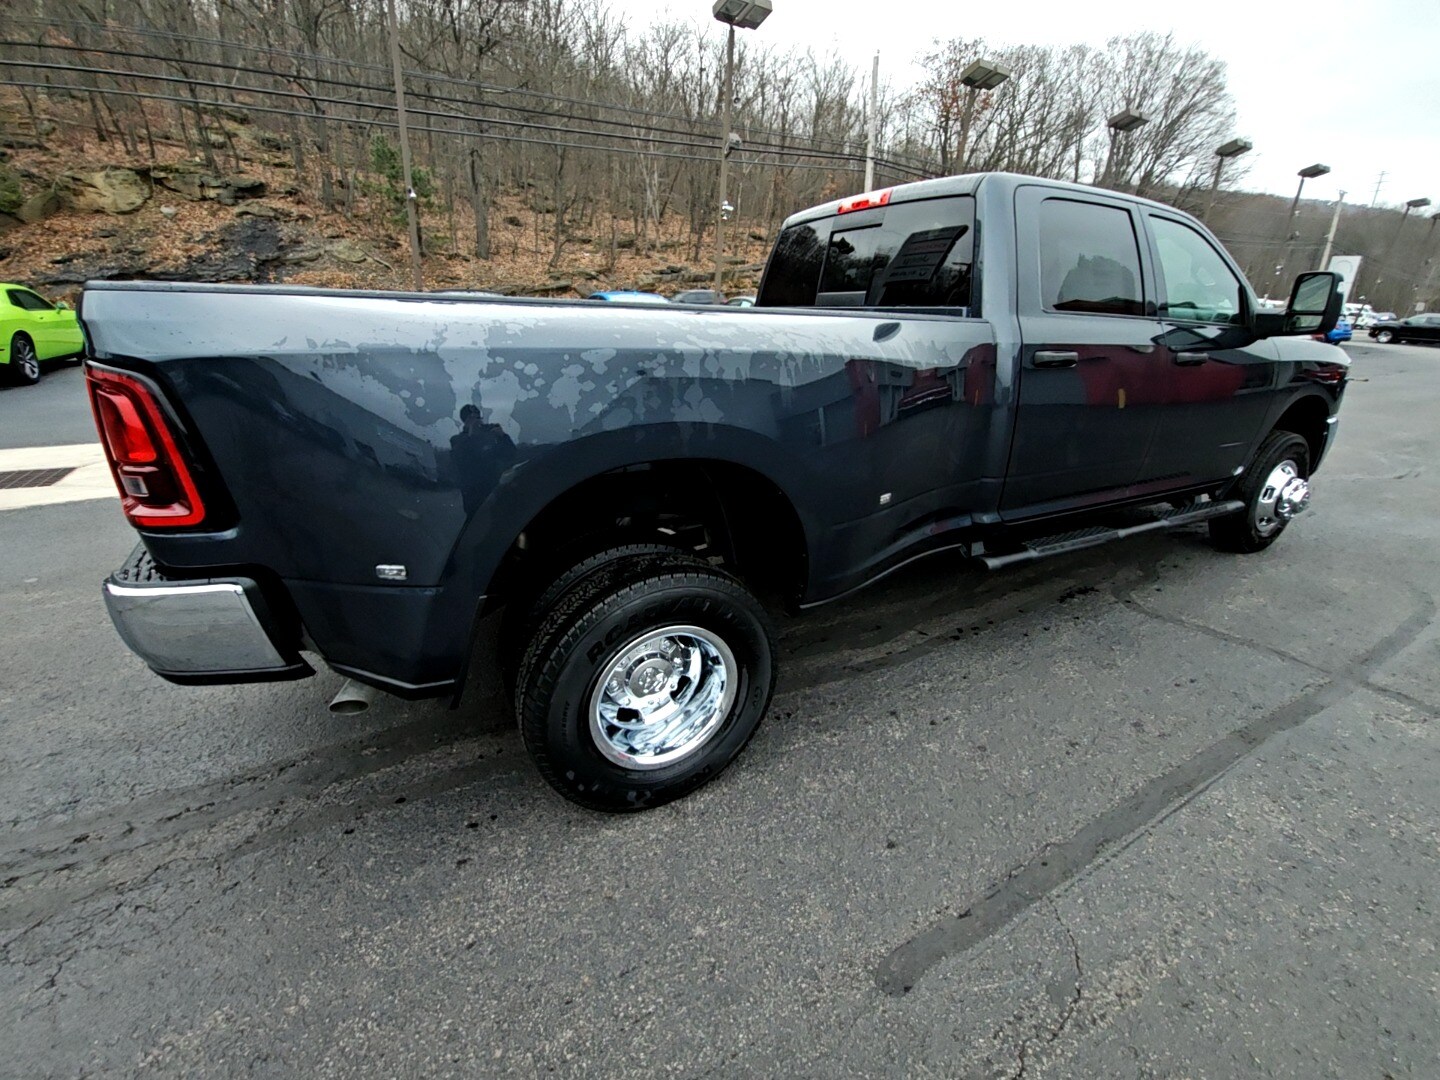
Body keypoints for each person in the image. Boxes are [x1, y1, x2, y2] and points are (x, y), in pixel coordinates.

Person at [450, 403, 516, 515]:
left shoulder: (489, 436)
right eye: (472, 418)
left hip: (494, 493)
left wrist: (503, 437)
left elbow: (510, 454)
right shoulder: (457, 440)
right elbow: (459, 460)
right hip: (473, 498)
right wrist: (471, 435)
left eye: (478, 417)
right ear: (464, 421)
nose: (477, 421)